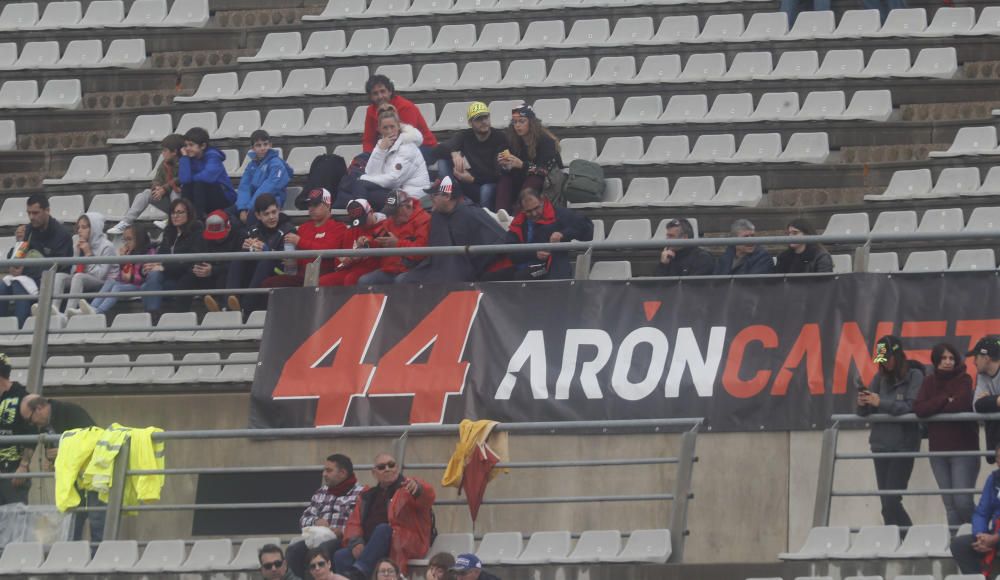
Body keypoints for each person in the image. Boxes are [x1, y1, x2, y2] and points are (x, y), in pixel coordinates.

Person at [856, 335, 924, 527]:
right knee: (886, 503)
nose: (884, 364)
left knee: (891, 501)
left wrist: (880, 402)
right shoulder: (880, 377)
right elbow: (864, 412)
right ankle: (895, 542)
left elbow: (911, 406)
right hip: (880, 445)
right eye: (881, 361)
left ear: (898, 355)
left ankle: (909, 539)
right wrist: (863, 403)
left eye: (887, 359)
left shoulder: (915, 375)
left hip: (904, 446)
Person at [334, 452, 435, 579]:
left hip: (404, 542)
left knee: (383, 529)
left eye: (391, 465)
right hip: (371, 545)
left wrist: (418, 487)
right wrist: (356, 543)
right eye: (381, 467)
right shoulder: (367, 495)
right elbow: (353, 523)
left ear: (397, 468)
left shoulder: (408, 488)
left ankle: (359, 573)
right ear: (374, 473)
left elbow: (428, 496)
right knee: (341, 555)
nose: (387, 469)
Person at [20, 394, 103, 541]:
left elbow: (94, 440)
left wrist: (63, 451)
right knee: (72, 522)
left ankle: (99, 558)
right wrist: (54, 462)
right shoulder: (45, 424)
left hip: (91, 477)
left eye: (30, 419)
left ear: (39, 409)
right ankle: (72, 557)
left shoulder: (71, 412)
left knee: (96, 519)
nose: (31, 424)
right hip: (73, 479)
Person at [914, 342, 979, 527]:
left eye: (951, 358)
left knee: (963, 503)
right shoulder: (928, 381)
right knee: (950, 506)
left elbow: (961, 404)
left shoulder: (964, 379)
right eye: (943, 358)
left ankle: (987, 536)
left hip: (963, 450)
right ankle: (955, 548)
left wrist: (935, 406)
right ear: (935, 361)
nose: (948, 362)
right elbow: (919, 408)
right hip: (938, 452)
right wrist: (945, 399)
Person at [402, 177, 511, 283]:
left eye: (434, 195)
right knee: (405, 280)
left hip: (468, 273)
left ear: (447, 196)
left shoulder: (471, 213)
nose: (430, 199)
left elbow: (497, 243)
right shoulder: (437, 216)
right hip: (439, 269)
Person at [287, 454, 365, 579]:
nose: (324, 474)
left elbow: (362, 523)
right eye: (324, 470)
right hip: (317, 537)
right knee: (293, 551)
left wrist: (342, 531)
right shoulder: (321, 492)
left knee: (322, 551)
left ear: (342, 473)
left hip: (343, 539)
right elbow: (304, 519)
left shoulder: (361, 493)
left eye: (329, 470)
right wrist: (316, 521)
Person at [0, 195, 73, 326]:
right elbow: (15, 255)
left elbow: (57, 265)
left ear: (47, 211)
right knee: (3, 286)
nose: (32, 217)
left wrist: (24, 268)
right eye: (29, 213)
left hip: (49, 280)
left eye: (35, 213)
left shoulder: (62, 234)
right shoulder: (28, 230)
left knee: (18, 286)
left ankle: (21, 330)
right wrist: (19, 244)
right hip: (28, 277)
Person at [221, 194, 296, 315]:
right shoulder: (253, 230)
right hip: (258, 269)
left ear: (279, 210)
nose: (272, 217)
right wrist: (248, 246)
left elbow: (288, 262)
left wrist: (267, 250)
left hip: (279, 269)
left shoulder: (289, 230)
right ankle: (228, 304)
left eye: (274, 212)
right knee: (240, 256)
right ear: (258, 216)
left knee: (266, 260)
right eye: (266, 214)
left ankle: (245, 307)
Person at [494, 189, 592, 280]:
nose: (534, 213)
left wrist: (563, 234)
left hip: (550, 266)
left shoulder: (559, 214)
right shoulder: (518, 223)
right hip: (525, 266)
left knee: (521, 276)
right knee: (488, 277)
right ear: (522, 209)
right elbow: (511, 253)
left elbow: (587, 228)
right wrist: (534, 253)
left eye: (536, 208)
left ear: (542, 200)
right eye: (529, 211)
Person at [262, 188, 346, 289]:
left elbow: (329, 250)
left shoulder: (338, 227)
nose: (311, 208)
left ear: (328, 205)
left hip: (323, 274)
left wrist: (300, 241)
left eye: (316, 205)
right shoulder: (304, 227)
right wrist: (290, 259)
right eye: (310, 205)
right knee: (268, 283)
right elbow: (299, 260)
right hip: (301, 275)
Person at [431, 102, 508, 208]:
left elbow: (498, 175)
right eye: (478, 119)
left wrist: (473, 179)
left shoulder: (500, 138)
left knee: (486, 189)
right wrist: (453, 153)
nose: (484, 121)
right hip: (469, 183)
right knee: (443, 161)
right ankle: (450, 198)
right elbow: (437, 151)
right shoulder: (465, 136)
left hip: (488, 184)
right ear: (470, 123)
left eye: (486, 117)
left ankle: (485, 218)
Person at [352, 106, 430, 211]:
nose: (389, 131)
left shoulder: (407, 146)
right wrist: (380, 150)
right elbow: (371, 172)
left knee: (361, 186)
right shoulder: (382, 144)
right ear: (379, 129)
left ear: (398, 126)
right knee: (360, 187)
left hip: (412, 196)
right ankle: (363, 215)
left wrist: (364, 179)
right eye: (385, 128)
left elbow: (394, 180)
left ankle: (361, 215)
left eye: (392, 127)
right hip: (395, 191)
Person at [108, 134, 185, 235]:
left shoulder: (185, 162)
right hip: (170, 202)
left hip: (185, 204)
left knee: (174, 192)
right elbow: (157, 179)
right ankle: (125, 222)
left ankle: (172, 219)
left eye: (165, 151)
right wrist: (156, 188)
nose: (162, 154)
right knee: (146, 193)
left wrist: (165, 189)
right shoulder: (164, 164)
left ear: (174, 152)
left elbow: (181, 179)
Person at [140, 197, 205, 315]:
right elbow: (160, 257)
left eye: (180, 212)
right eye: (173, 213)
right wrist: (148, 268)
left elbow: (188, 262)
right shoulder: (169, 232)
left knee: (147, 286)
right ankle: (153, 316)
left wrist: (163, 267)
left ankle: (152, 317)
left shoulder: (196, 231)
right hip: (169, 278)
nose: (175, 216)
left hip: (185, 279)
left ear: (189, 214)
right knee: (150, 279)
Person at [496, 104, 561, 213]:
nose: (517, 126)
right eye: (515, 122)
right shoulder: (511, 139)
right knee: (505, 179)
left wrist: (522, 165)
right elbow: (505, 168)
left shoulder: (546, 141)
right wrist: (504, 164)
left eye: (522, 121)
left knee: (532, 181)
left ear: (531, 123)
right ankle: (501, 215)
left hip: (546, 179)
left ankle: (519, 215)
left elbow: (543, 170)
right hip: (521, 177)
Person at [356, 191, 430, 286]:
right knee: (364, 281)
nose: (393, 216)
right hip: (391, 269)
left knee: (400, 281)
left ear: (407, 206)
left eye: (395, 211)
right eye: (391, 212)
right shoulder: (390, 221)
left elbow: (422, 252)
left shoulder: (424, 220)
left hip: (414, 270)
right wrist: (367, 242)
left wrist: (397, 244)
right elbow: (377, 238)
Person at [49, 212, 118, 315]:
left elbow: (100, 276)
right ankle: (53, 309)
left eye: (84, 227)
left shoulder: (107, 246)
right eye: (78, 227)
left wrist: (88, 254)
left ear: (94, 228)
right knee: (59, 276)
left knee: (79, 277)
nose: (79, 231)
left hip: (104, 283)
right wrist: (77, 253)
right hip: (84, 277)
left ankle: (68, 312)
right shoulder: (78, 241)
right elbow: (74, 270)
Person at [83, 224, 157, 315]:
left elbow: (141, 278)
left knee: (117, 287)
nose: (126, 243)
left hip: (140, 285)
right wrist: (123, 260)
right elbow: (121, 277)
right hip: (129, 284)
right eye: (124, 240)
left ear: (139, 239)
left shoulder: (149, 253)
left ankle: (98, 311)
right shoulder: (130, 252)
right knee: (110, 281)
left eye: (129, 239)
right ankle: (92, 307)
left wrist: (127, 260)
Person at [950, 444, 1000, 575]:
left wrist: (995, 538)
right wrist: (980, 535)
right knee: (958, 545)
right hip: (993, 534)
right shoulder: (994, 479)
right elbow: (981, 513)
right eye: (999, 458)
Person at [319, 200, 389, 287]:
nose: (361, 224)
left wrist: (368, 245)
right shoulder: (351, 230)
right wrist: (345, 261)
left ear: (371, 212)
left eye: (363, 220)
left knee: (351, 278)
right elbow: (339, 262)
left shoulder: (386, 226)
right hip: (352, 269)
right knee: (323, 282)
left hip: (374, 269)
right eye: (357, 221)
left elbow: (385, 252)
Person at [362, 75, 436, 155]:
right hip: (391, 147)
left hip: (424, 146)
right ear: (371, 97)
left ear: (390, 91)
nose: (380, 96)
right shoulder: (370, 111)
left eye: (382, 91)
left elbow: (409, 138)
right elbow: (368, 141)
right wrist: (368, 156)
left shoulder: (405, 107)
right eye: (375, 93)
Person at [234, 130, 293, 227]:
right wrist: (243, 208)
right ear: (253, 148)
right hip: (252, 202)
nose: (262, 148)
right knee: (230, 213)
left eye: (265, 144)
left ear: (270, 145)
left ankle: (251, 239)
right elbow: (244, 186)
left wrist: (250, 207)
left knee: (253, 216)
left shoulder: (276, 163)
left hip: (272, 200)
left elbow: (270, 187)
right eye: (258, 145)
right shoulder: (251, 165)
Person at [0, 353, 35, 505]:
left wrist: (23, 466)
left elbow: (32, 433)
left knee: (16, 520)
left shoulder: (22, 397)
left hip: (13, 470)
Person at [179, 127, 237, 218]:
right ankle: (187, 217)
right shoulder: (189, 158)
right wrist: (185, 158)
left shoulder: (213, 156)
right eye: (186, 145)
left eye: (191, 145)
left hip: (224, 197)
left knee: (199, 183)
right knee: (186, 187)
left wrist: (191, 179)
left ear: (203, 146)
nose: (187, 148)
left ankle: (198, 219)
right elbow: (184, 180)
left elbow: (208, 177)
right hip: (204, 196)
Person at [971, 337, 1000, 462]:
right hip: (996, 443)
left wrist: (989, 400)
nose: (974, 362)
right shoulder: (982, 375)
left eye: (976, 357)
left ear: (986, 358)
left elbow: (984, 403)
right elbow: (977, 406)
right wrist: (997, 400)